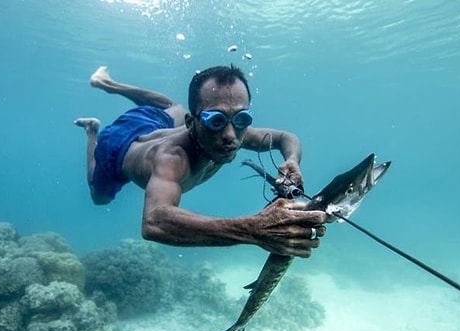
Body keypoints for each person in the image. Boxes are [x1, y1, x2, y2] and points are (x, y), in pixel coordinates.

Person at [74, 65, 326, 258]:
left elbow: (285, 137)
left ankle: (108, 83)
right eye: (215, 120)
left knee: (172, 106)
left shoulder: (232, 131)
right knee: (99, 197)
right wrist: (254, 229)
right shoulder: (173, 159)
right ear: (191, 123)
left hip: (150, 122)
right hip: (115, 148)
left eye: (242, 119)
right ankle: (91, 131)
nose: (229, 136)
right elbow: (154, 222)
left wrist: (292, 160)